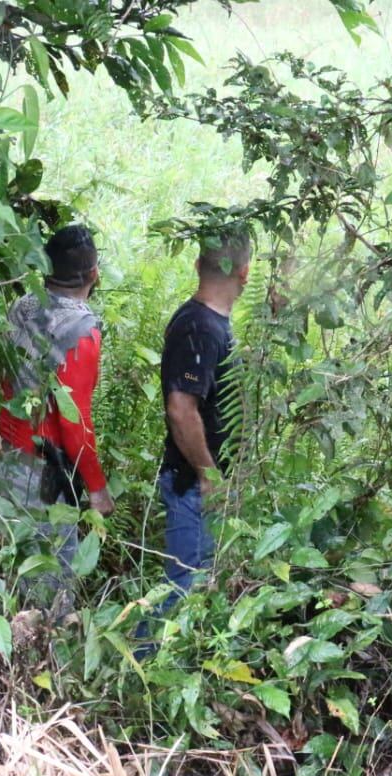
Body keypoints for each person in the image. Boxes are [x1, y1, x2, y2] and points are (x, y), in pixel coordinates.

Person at [0, 224, 114, 620]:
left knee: (9, 574)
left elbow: (5, 379)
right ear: (94, 274)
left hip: (6, 458)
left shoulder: (20, 307)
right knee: (52, 590)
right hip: (47, 476)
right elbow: (74, 421)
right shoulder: (82, 330)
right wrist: (96, 489)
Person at [142, 227, 252, 638]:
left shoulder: (211, 323)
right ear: (245, 273)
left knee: (201, 588)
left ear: (196, 264)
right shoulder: (200, 328)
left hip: (206, 486)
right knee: (182, 589)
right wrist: (209, 475)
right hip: (194, 486)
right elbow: (181, 409)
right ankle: (145, 670)